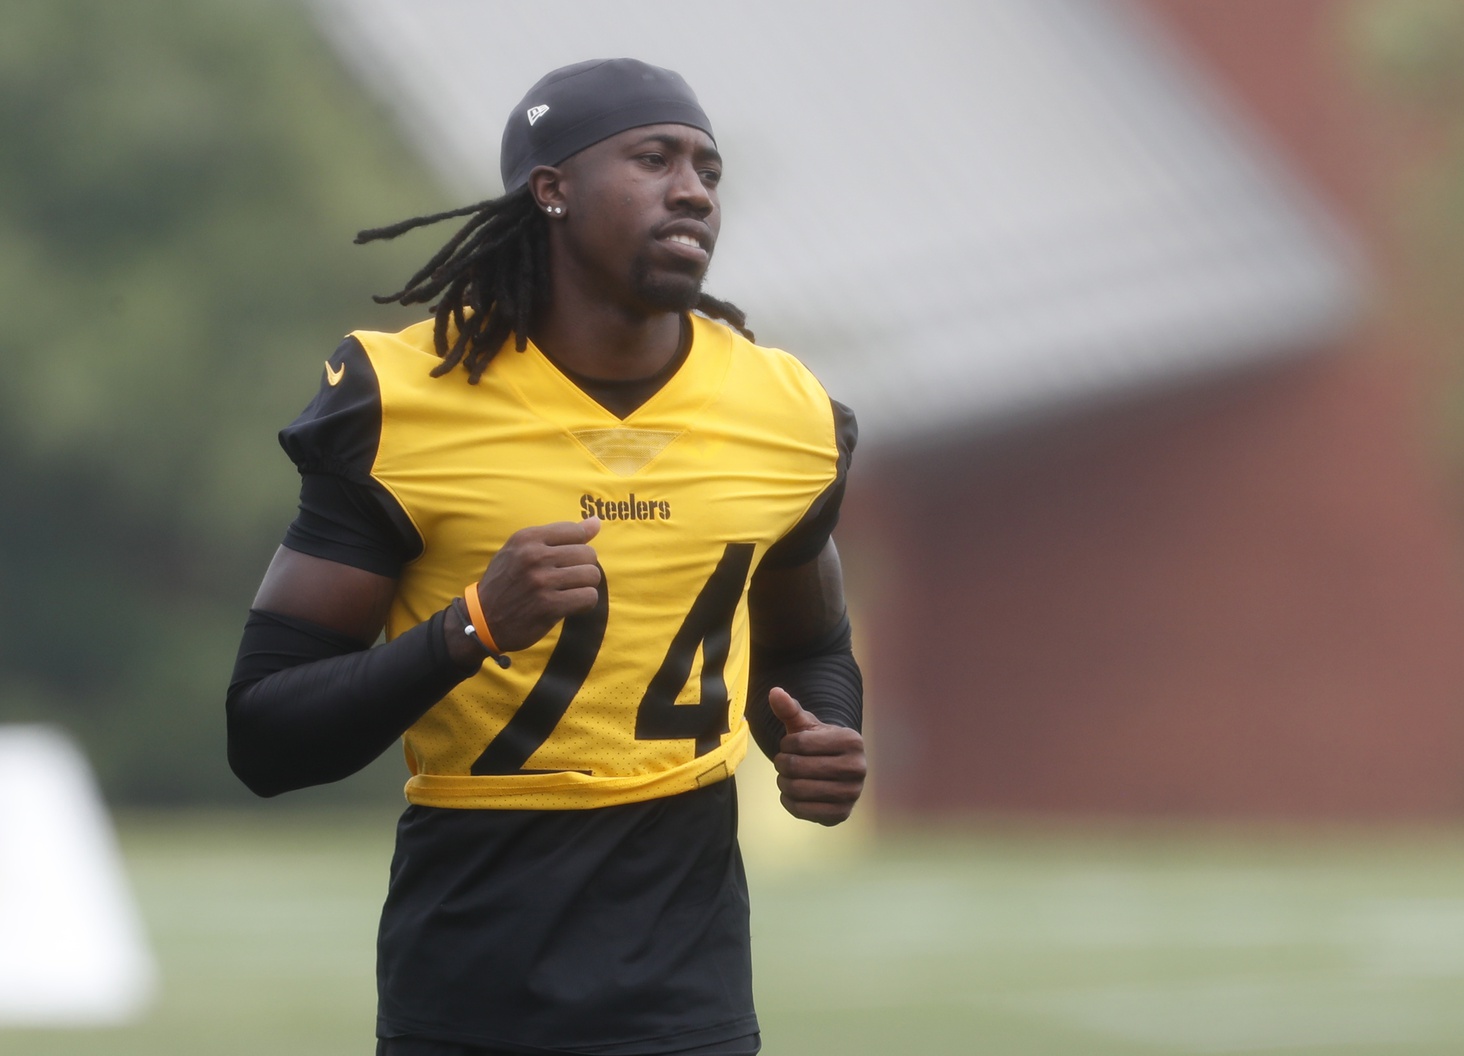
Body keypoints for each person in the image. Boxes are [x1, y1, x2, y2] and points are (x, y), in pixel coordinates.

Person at [226, 58, 865, 1056]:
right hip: (472, 969)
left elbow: (811, 647)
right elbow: (265, 737)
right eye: (654, 158)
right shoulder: (406, 399)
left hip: (685, 981)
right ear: (551, 187)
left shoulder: (784, 415)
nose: (693, 187)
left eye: (708, 167)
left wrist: (820, 738)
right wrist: (470, 629)